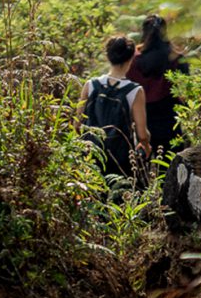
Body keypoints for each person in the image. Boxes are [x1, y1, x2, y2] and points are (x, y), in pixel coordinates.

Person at [79, 35, 151, 180]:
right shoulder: (135, 91)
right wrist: (147, 144)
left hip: (91, 154)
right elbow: (142, 134)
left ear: (108, 56)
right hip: (120, 158)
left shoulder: (90, 85)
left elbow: (77, 123)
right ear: (131, 59)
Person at [128, 14, 187, 158]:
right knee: (170, 159)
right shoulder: (176, 57)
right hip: (169, 114)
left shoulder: (134, 60)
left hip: (142, 115)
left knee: (143, 158)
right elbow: (184, 90)